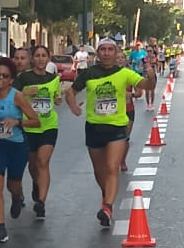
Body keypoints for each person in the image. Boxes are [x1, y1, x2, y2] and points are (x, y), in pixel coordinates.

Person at [66, 36, 145, 228]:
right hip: (94, 127)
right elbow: (70, 92)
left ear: (116, 53)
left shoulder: (125, 73)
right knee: (99, 171)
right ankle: (106, 195)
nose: (107, 53)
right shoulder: (89, 73)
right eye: (103, 50)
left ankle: (107, 207)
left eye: (111, 50)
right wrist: (74, 107)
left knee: (112, 167)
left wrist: (150, 76)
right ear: (98, 53)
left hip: (117, 126)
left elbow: (144, 86)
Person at [0, 56, 42, 242]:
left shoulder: (17, 96)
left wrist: (18, 121)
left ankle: (17, 196)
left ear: (11, 80)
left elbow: (36, 121)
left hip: (16, 146)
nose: (0, 79)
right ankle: (0, 228)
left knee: (12, 185)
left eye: (5, 76)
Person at [17, 39, 62, 220]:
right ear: (32, 59)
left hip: (49, 126)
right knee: (33, 164)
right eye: (37, 56)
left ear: (49, 59)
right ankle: (36, 184)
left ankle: (41, 202)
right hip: (28, 127)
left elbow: (56, 98)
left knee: (43, 162)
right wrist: (25, 94)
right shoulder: (24, 78)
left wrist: (58, 100)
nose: (41, 59)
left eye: (44, 56)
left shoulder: (54, 79)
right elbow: (12, 96)